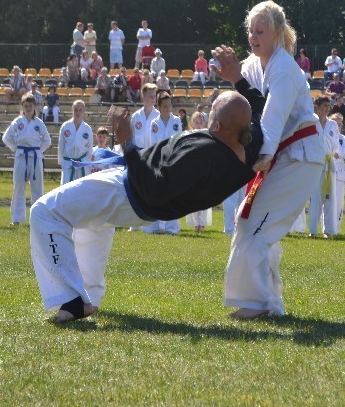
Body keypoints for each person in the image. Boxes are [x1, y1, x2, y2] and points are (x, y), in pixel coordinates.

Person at [29, 69, 265, 323]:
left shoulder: (203, 155)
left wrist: (127, 143)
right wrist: (237, 79)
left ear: (217, 124)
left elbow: (153, 189)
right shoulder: (246, 147)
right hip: (132, 195)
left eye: (214, 107)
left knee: (44, 211)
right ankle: (88, 297)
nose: (209, 106)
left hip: (126, 193)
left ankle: (72, 298)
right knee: (91, 222)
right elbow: (262, 109)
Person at [222, 0, 321, 319]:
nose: (253, 36)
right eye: (250, 30)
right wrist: (233, 78)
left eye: (260, 31)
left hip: (300, 156)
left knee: (258, 224)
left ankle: (260, 302)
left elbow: (272, 116)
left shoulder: (286, 69)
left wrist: (262, 156)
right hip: (280, 153)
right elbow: (247, 105)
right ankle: (266, 300)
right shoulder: (252, 66)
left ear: (277, 33)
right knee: (249, 219)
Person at [3, 93, 52, 225]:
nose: (28, 108)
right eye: (26, 106)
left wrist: (38, 151)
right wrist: (16, 148)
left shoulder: (39, 123)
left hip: (35, 156)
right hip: (21, 156)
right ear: (22, 107)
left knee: (37, 188)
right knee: (19, 187)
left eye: (30, 105)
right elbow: (6, 137)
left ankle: (37, 218)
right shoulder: (18, 121)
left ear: (34, 106)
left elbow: (47, 140)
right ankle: (16, 219)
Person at [145, 91, 184, 234]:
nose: (168, 108)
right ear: (159, 107)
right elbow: (151, 145)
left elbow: (179, 141)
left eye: (169, 105)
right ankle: (153, 226)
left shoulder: (176, 122)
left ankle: (171, 227)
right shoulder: (154, 123)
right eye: (165, 106)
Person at [306, 96, 340, 238]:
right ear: (317, 106)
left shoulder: (333, 125)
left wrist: (334, 153)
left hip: (329, 163)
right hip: (315, 163)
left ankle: (329, 231)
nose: (327, 108)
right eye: (324, 105)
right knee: (314, 198)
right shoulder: (311, 122)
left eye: (329, 106)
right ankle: (313, 230)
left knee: (329, 198)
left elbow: (336, 145)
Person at [58, 100, 93, 185]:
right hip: (68, 163)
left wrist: (88, 164)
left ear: (84, 111)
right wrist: (62, 163)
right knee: (65, 190)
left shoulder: (87, 129)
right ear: (72, 110)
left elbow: (89, 149)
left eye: (80, 110)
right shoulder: (65, 126)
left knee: (81, 190)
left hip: (82, 163)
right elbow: (61, 146)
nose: (77, 112)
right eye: (75, 110)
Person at [327, 112, 345, 232]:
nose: (338, 126)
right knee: (327, 199)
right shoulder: (327, 135)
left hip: (339, 172)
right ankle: (327, 227)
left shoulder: (343, 139)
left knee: (338, 201)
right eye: (335, 123)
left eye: (340, 124)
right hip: (327, 170)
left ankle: (336, 228)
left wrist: (336, 153)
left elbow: (344, 153)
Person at [131, 84, 159, 148]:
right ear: (143, 97)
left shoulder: (159, 116)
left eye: (154, 96)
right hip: (137, 152)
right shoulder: (135, 116)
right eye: (150, 96)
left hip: (153, 152)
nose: (153, 98)